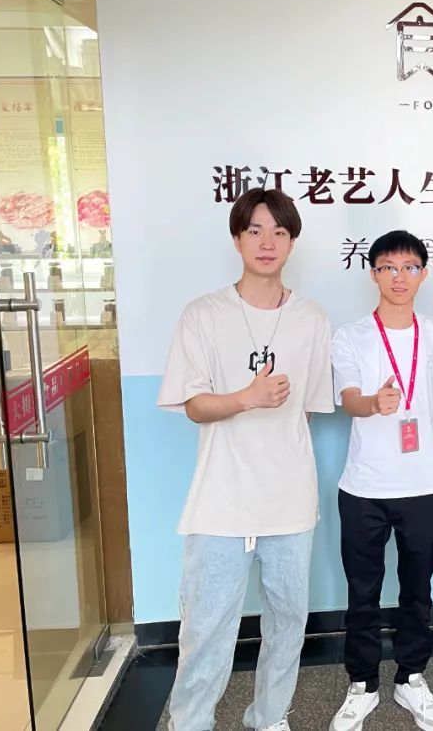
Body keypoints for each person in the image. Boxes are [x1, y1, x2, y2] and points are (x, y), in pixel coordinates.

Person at [157, 189, 334, 731]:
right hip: (221, 501)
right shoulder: (203, 315)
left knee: (288, 624)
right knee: (206, 629)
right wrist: (246, 398)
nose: (267, 242)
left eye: (279, 232)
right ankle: (191, 722)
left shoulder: (311, 318)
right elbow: (193, 406)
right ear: (237, 239)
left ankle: (270, 717)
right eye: (255, 230)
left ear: (292, 243)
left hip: (289, 501)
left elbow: (306, 411)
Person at [328, 230, 433, 731]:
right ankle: (362, 684)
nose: (399, 277)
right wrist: (373, 403)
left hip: (423, 486)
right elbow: (349, 399)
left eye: (409, 267)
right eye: (388, 267)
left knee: (417, 590)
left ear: (423, 274)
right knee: (362, 591)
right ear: (373, 274)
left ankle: (410, 677)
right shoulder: (351, 336)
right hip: (364, 488)